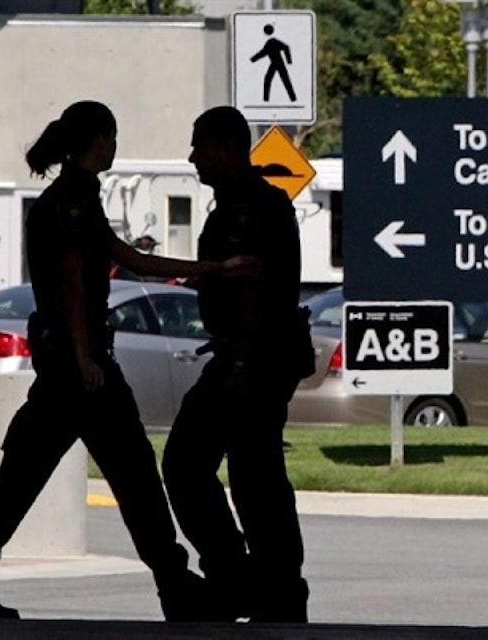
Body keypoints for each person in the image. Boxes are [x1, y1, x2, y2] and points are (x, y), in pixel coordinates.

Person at [0, 100, 254, 621]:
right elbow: (73, 280)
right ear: (98, 140)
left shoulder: (70, 199)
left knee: (22, 477)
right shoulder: (74, 202)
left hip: (67, 368)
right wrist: (86, 357)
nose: (115, 146)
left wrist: (214, 268)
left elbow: (131, 259)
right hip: (82, 372)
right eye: (113, 137)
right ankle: (175, 587)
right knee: (133, 476)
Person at [161, 105, 311, 623]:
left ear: (226, 148)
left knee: (211, 468)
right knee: (250, 472)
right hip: (246, 357)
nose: (193, 157)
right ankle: (262, 583)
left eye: (200, 145)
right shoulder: (239, 203)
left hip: (253, 359)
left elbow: (253, 290)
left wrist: (240, 367)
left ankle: (255, 581)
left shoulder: (248, 209)